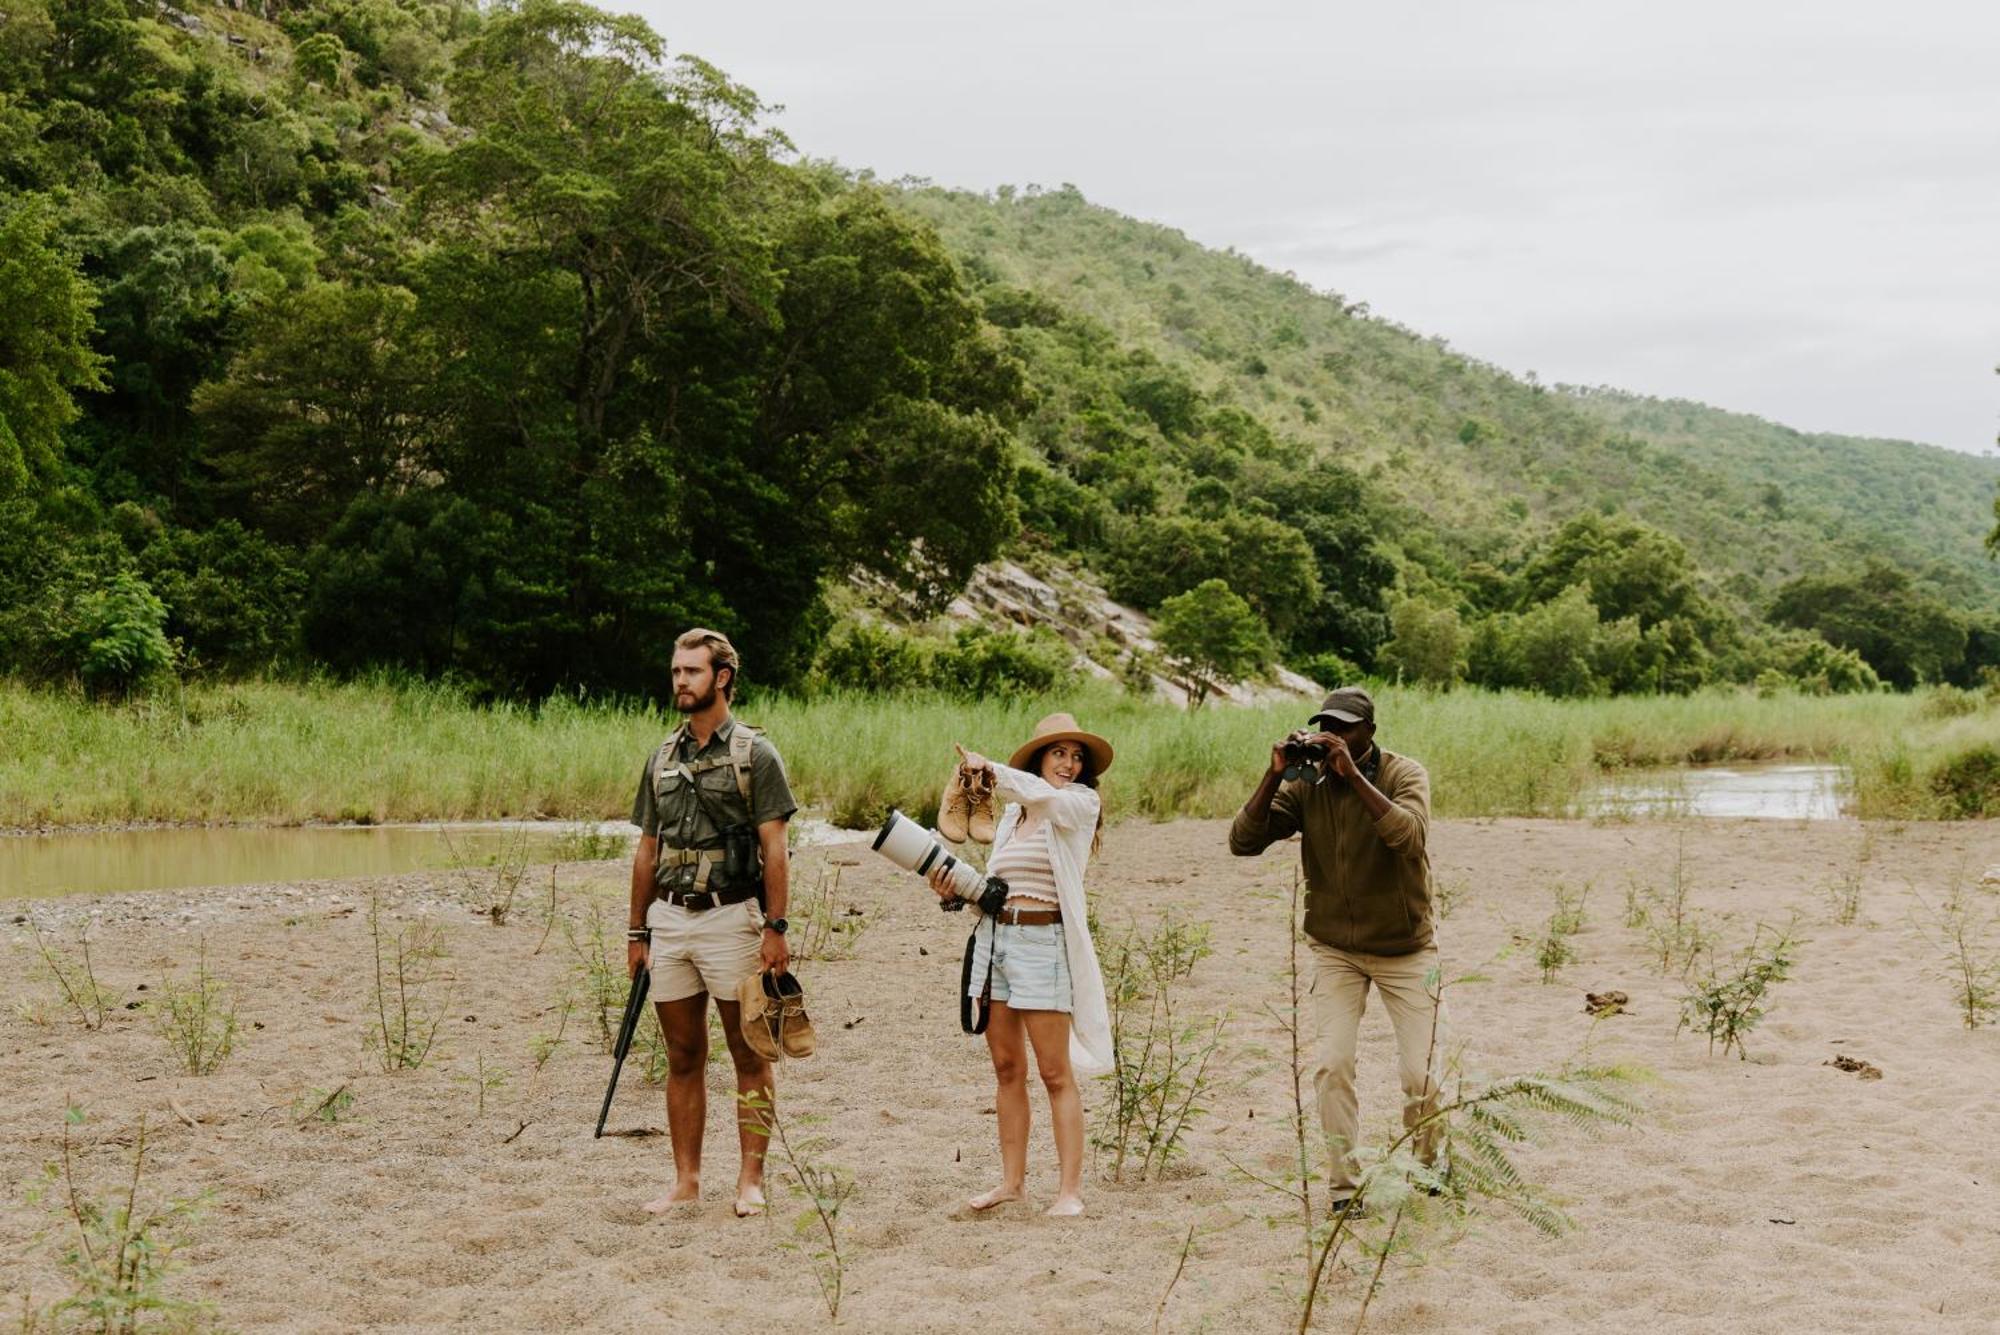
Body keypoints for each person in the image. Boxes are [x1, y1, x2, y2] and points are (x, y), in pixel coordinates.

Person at [1228, 686, 1444, 1209]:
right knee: (1332, 1064)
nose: (1335, 736)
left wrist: (1354, 779)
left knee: (1422, 1072)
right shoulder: (1308, 783)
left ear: (1369, 730)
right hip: (1336, 948)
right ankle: (1345, 1187)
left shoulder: (1403, 774)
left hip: (1406, 946)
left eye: (1345, 727)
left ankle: (1428, 1167)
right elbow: (1243, 841)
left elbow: (1408, 837)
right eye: (1328, 725)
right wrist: (1275, 773)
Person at [627, 628, 797, 1217]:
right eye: (676, 671)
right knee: (681, 1054)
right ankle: (686, 1181)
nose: (680, 681)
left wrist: (776, 928)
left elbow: (776, 848)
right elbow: (647, 850)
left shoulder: (756, 754)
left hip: (732, 918)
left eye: (692, 672)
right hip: (670, 921)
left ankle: (750, 1181)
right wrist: (636, 931)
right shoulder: (661, 758)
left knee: (750, 1052)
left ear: (721, 677)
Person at [929, 712, 1114, 1217]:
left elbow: (1045, 797)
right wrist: (954, 892)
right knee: (1007, 1068)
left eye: (1076, 756)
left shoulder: (1078, 805)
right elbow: (996, 890)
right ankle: (1012, 1183)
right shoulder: (1011, 818)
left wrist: (992, 771)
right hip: (996, 941)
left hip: (1042, 942)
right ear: (1040, 757)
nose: (1070, 764)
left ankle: (1069, 1191)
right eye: (1059, 753)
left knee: (1055, 1073)